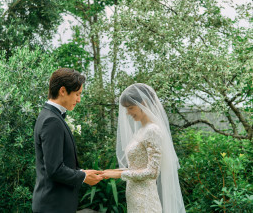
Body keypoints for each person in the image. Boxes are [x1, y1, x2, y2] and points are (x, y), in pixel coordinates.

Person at [102, 83, 185, 213]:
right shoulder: (141, 130)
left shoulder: (153, 130)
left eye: (131, 108)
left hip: (145, 199)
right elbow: (137, 166)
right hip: (134, 197)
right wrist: (113, 172)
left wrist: (120, 174)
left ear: (144, 104)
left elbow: (152, 172)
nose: (128, 113)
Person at [32, 68, 103, 213]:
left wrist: (83, 172)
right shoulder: (51, 120)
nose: (79, 100)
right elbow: (55, 170)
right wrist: (83, 176)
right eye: (77, 94)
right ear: (63, 91)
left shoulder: (49, 115)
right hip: (53, 206)